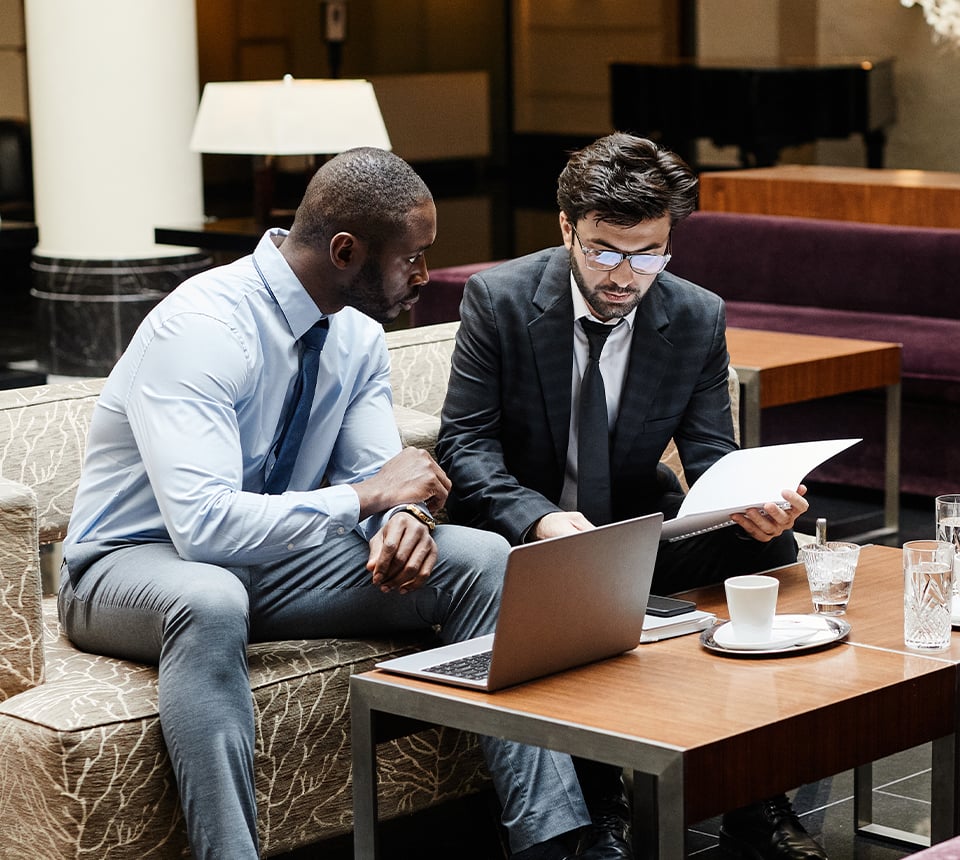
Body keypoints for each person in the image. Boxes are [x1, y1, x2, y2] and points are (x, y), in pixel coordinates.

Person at [59, 148, 597, 860]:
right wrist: (372, 497)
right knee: (211, 598)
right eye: (413, 258)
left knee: (485, 559)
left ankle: (551, 839)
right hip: (128, 568)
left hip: (273, 564)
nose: (425, 275)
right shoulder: (202, 328)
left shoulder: (357, 336)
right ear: (346, 252)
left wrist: (405, 521)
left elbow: (380, 477)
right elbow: (205, 528)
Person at [436, 133, 827, 860]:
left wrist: (755, 500)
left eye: (648, 254)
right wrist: (541, 519)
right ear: (566, 228)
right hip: (528, 538)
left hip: (637, 532)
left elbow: (710, 452)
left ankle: (756, 795)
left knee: (769, 546)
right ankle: (602, 808)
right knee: (582, 586)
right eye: (604, 251)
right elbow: (465, 446)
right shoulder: (500, 299)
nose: (625, 275)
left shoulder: (696, 314)